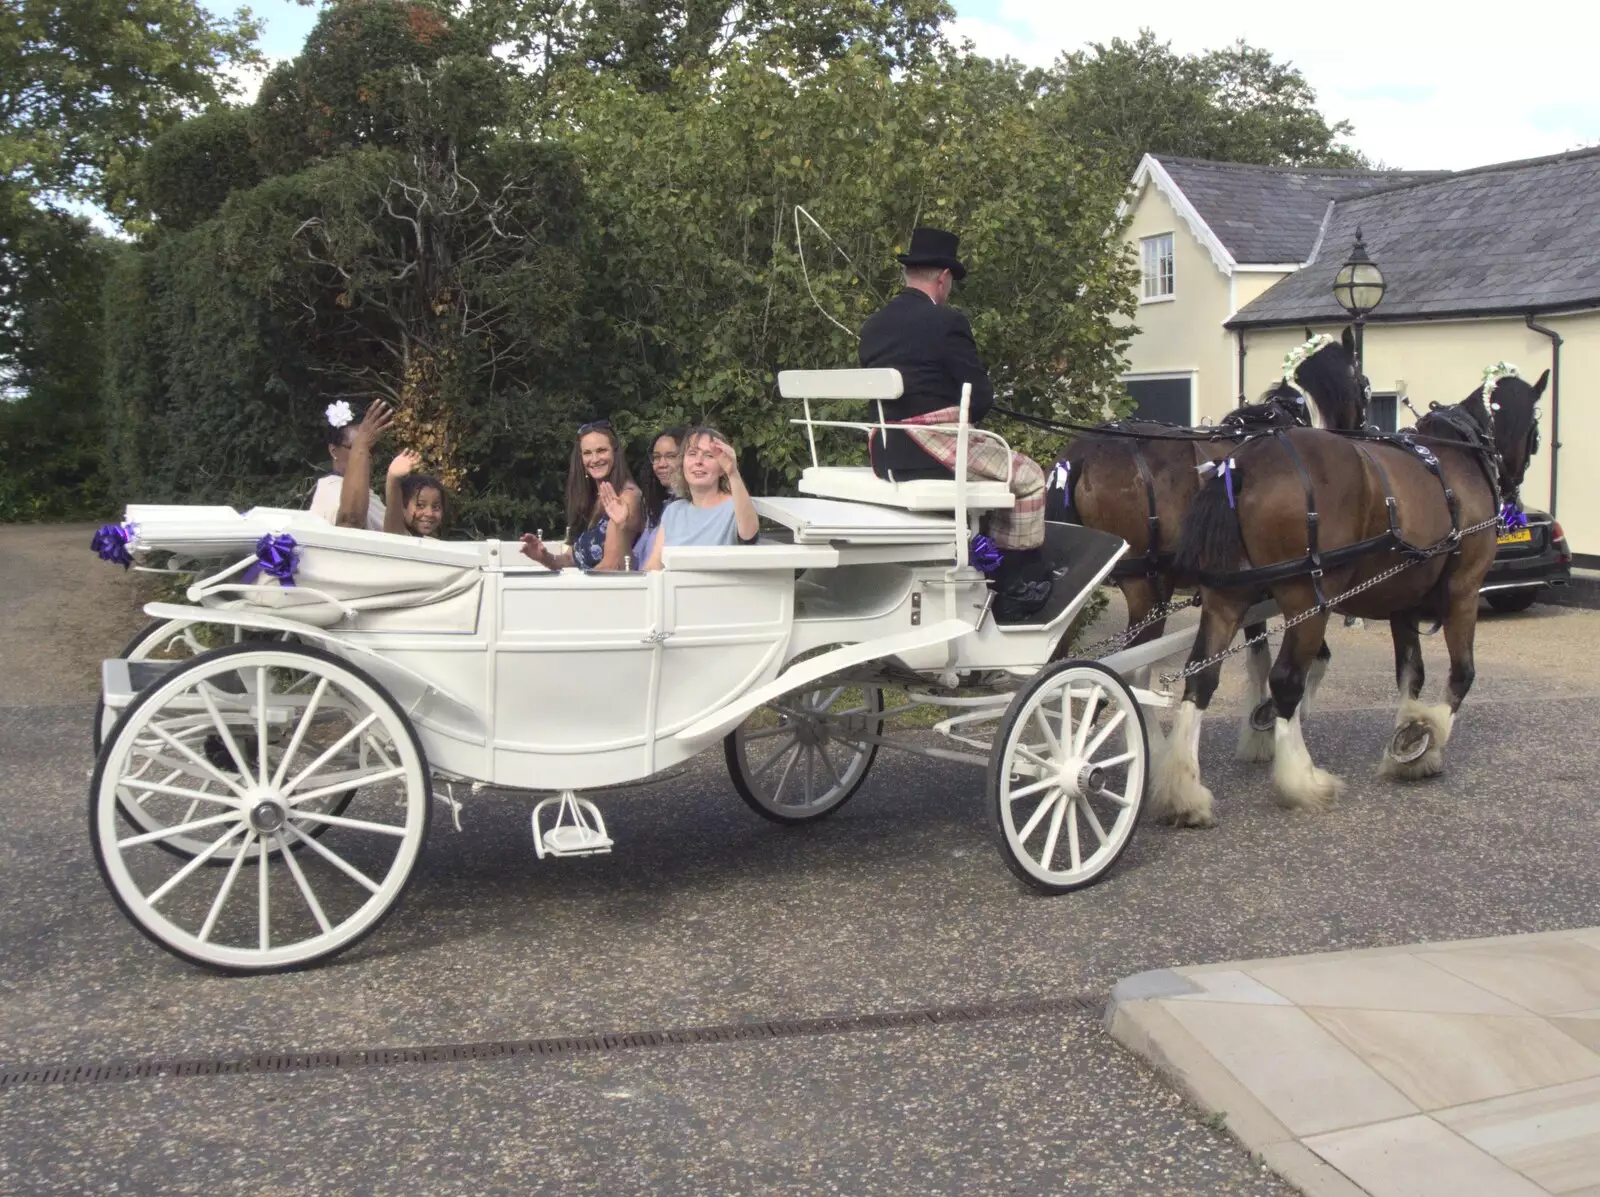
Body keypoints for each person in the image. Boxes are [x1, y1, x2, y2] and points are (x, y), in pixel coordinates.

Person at [858, 226, 1051, 620]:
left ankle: (984, 558)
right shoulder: (947, 322)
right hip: (931, 448)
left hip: (886, 451)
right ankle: (1011, 585)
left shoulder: (872, 327)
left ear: (909, 273)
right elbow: (979, 398)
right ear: (943, 278)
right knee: (1029, 477)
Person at [520, 420, 643, 571]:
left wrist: (572, 586)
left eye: (602, 450)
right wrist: (545, 557)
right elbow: (572, 558)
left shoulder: (627, 498)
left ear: (615, 453)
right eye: (587, 453)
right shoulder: (591, 498)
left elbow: (611, 567)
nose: (595, 459)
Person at [644, 427, 758, 570]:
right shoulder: (673, 511)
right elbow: (654, 566)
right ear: (682, 464)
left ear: (722, 468)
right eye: (692, 454)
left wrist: (733, 473)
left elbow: (750, 535)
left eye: (709, 455)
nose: (698, 461)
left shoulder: (736, 506)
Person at [309, 400, 389, 530]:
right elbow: (351, 521)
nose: (367, 455)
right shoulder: (330, 490)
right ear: (333, 451)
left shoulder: (369, 494)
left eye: (372, 449)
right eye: (356, 447)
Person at [635, 426, 684, 566]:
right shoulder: (656, 506)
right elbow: (635, 563)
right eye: (657, 457)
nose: (661, 464)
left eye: (671, 456)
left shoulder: (692, 507)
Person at [384, 450, 447, 538]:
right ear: (402, 505)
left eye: (436, 507)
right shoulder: (399, 537)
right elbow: (393, 520)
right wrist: (393, 478)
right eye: (420, 505)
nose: (429, 513)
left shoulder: (432, 543)